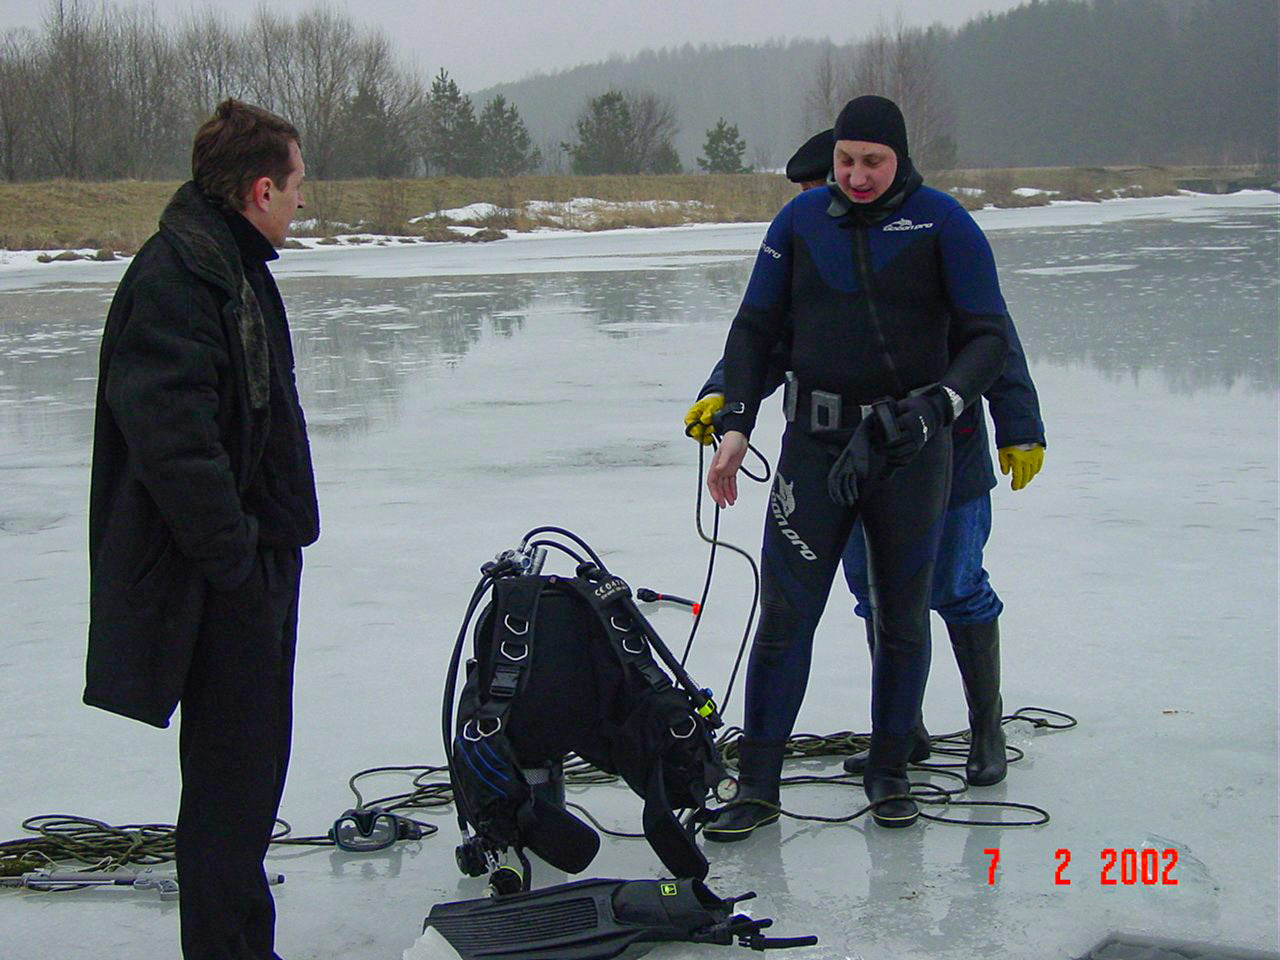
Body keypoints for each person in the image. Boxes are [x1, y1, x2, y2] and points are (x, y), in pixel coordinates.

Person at [686, 130, 1046, 793]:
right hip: (841, 457)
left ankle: (985, 724)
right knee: (871, 596)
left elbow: (994, 340)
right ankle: (900, 733)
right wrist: (723, 396)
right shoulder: (815, 238)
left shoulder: (932, 235)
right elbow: (782, 335)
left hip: (946, 454)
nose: (826, 201)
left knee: (956, 585)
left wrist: (1018, 425)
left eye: (828, 183)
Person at [85, 99, 317, 959]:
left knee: (250, 784)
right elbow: (173, 447)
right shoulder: (177, 278)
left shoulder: (230, 263)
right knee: (228, 792)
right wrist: (239, 569)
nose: (301, 201)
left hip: (253, 566)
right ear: (261, 188)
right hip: (218, 582)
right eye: (295, 185)